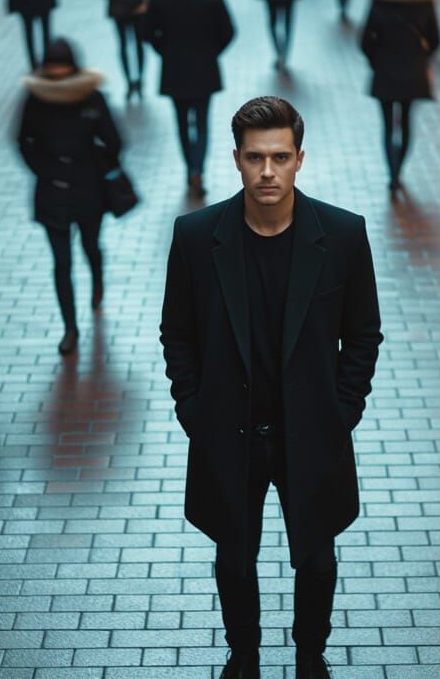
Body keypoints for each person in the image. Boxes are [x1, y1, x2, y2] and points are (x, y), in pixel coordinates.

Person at [159, 97, 383, 679]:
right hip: (227, 429)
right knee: (234, 557)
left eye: (279, 157)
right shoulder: (196, 237)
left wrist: (343, 410)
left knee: (317, 557)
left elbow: (363, 334)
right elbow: (177, 332)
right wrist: (193, 408)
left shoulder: (342, 234)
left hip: (312, 428)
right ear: (236, 159)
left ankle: (311, 654)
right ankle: (245, 654)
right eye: (255, 157)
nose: (267, 171)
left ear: (299, 159)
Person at [17, 40, 122, 355]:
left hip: (88, 190)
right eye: (53, 67)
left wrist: (95, 165)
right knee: (61, 261)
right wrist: (43, 169)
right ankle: (70, 327)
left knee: (90, 246)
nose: (58, 73)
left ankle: (97, 280)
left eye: (62, 66)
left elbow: (114, 140)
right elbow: (23, 140)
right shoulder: (34, 98)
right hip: (52, 191)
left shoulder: (91, 96)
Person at [141, 0, 235, 198]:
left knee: (182, 122)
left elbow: (147, 32)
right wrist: (212, 52)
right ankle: (198, 168)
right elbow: (228, 31)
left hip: (175, 69)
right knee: (202, 122)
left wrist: (165, 50)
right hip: (204, 68)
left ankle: (189, 168)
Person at [360, 0, 440, 191]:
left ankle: (391, 172)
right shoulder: (424, 0)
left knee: (387, 125)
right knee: (405, 122)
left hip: (385, 70)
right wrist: (421, 58)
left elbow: (365, 39)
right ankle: (399, 170)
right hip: (413, 72)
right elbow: (436, 40)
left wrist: (376, 60)